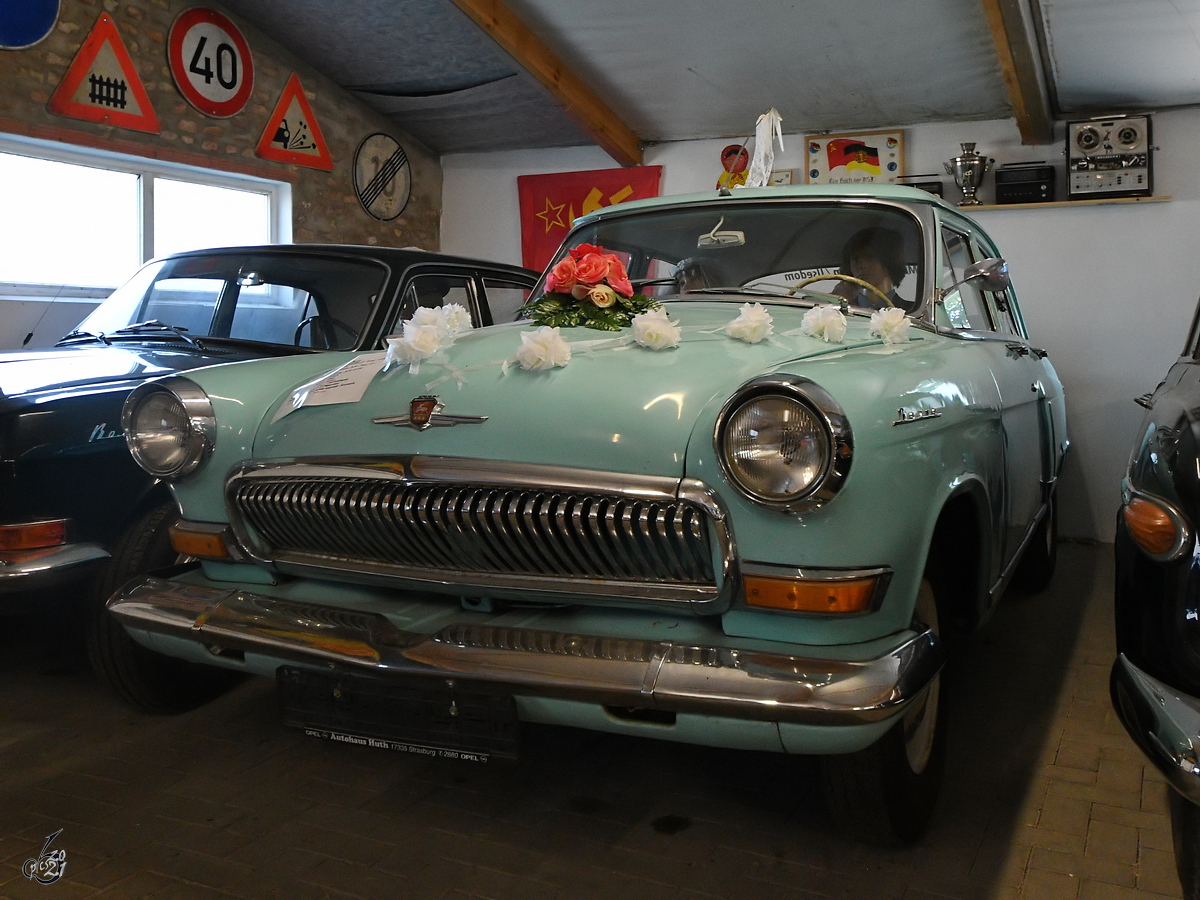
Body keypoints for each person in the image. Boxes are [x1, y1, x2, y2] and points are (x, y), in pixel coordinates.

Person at [833, 227, 913, 311]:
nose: (861, 265)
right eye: (855, 259)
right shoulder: (839, 312)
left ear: (889, 261)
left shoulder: (912, 312)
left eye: (870, 257)